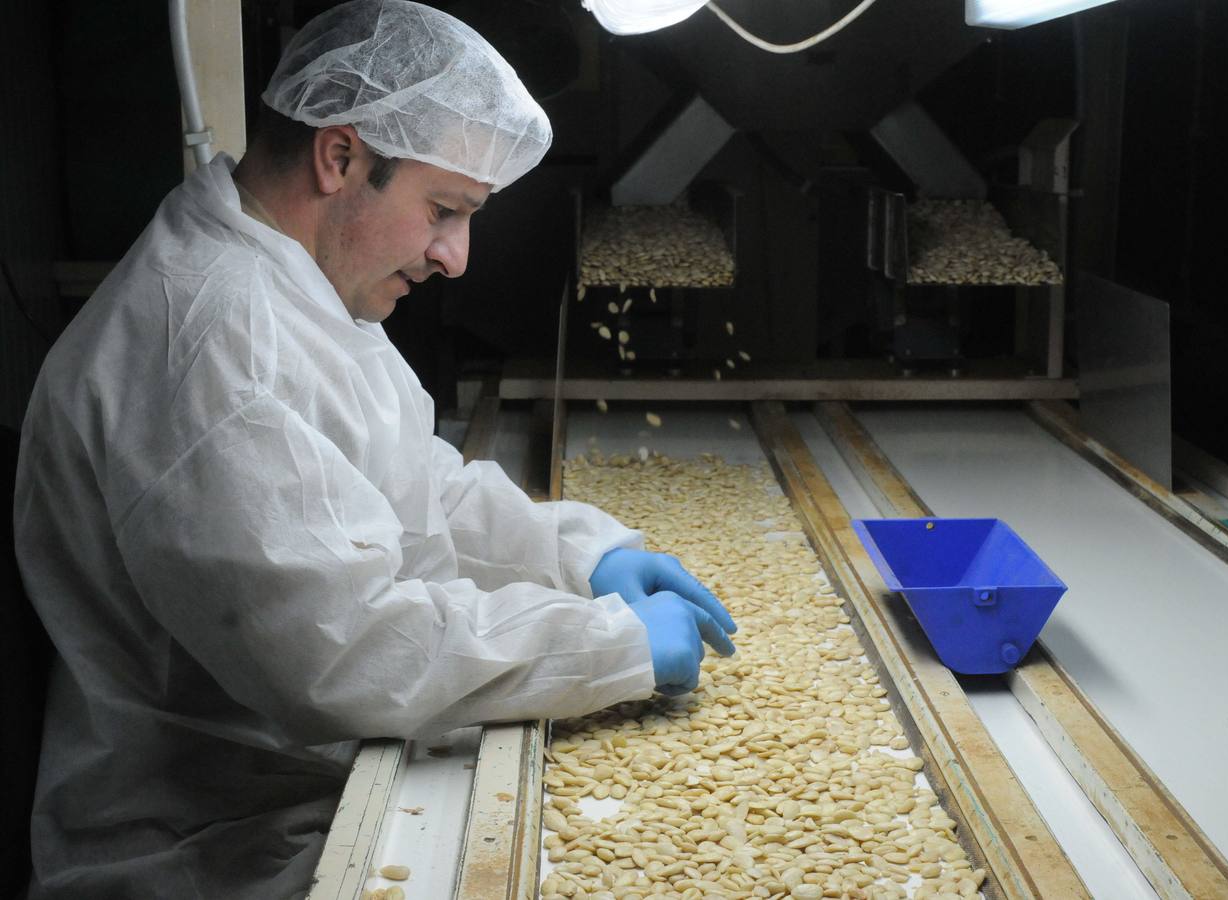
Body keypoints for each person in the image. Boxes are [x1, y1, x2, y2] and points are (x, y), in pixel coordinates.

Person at [12, 2, 736, 897]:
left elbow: (410, 482)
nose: (456, 256)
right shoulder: (208, 342)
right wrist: (609, 649)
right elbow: (342, 652)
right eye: (444, 209)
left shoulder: (288, 277)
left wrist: (581, 557)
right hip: (221, 845)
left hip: (316, 781)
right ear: (340, 156)